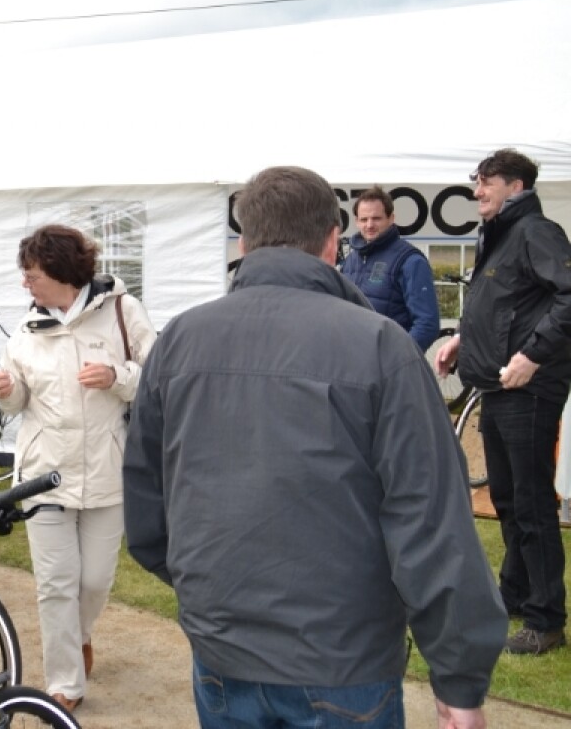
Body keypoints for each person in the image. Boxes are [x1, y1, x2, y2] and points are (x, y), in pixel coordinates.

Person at [124, 166, 507, 729]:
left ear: (246, 243)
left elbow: (145, 507)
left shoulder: (180, 340)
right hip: (315, 656)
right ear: (333, 242)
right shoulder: (378, 345)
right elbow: (432, 523)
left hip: (272, 651)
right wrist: (459, 682)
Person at [0, 224, 155, 713]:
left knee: (95, 580)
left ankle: (78, 636)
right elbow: (18, 400)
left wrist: (117, 376)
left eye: (32, 274)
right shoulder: (25, 329)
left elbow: (158, 375)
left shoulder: (123, 311)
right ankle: (65, 683)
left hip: (106, 468)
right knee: (55, 582)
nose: (25, 283)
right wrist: (6, 389)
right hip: (44, 473)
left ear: (60, 273)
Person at [435, 148, 571, 656]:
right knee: (509, 500)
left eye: (485, 183)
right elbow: (506, 304)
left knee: (533, 505)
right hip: (499, 386)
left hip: (528, 388)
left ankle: (546, 619)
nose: (476, 192)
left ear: (516, 186)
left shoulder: (536, 231)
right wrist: (462, 342)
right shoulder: (502, 234)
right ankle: (515, 595)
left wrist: (533, 356)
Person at [339, 185, 441, 351]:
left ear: (391, 218)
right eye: (364, 219)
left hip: (390, 368)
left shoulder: (410, 261)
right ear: (357, 221)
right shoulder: (351, 261)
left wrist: (397, 360)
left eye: (376, 218)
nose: (369, 225)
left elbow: (427, 324)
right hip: (355, 362)